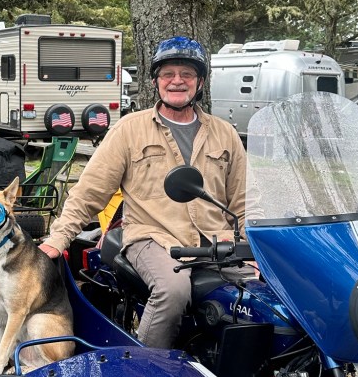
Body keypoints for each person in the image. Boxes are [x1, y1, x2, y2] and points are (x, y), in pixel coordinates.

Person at [40, 36, 247, 349]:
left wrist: (257, 250)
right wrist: (58, 239)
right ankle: (144, 370)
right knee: (173, 290)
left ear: (200, 82)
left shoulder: (225, 133)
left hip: (216, 240)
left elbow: (244, 199)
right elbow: (89, 192)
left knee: (262, 298)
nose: (177, 81)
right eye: (168, 74)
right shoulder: (129, 129)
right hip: (153, 237)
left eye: (187, 74)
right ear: (155, 81)